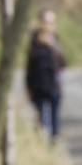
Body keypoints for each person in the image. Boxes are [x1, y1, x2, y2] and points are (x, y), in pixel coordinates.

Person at [26, 10, 66, 142]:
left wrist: (55, 49)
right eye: (46, 22)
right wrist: (29, 87)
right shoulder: (35, 41)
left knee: (54, 118)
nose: (48, 25)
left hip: (54, 85)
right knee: (42, 118)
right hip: (39, 85)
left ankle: (54, 142)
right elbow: (31, 65)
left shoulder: (56, 40)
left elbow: (63, 64)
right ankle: (42, 143)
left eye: (51, 22)